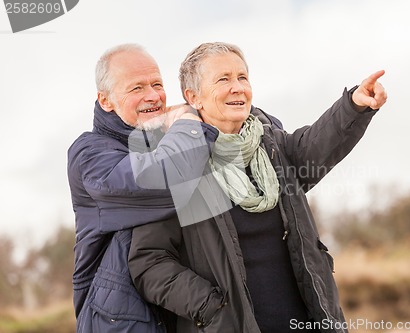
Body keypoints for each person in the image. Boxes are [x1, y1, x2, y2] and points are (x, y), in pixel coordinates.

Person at [128, 42, 387, 333]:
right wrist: (210, 307)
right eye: (223, 79)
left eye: (242, 77)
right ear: (193, 97)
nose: (237, 87)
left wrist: (354, 106)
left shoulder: (272, 147)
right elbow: (149, 263)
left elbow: (315, 146)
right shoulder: (177, 166)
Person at [67, 43, 215, 333]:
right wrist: (189, 120)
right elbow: (167, 178)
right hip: (120, 324)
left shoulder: (169, 139)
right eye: (137, 88)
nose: (154, 96)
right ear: (106, 100)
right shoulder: (89, 155)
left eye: (157, 84)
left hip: (181, 315)